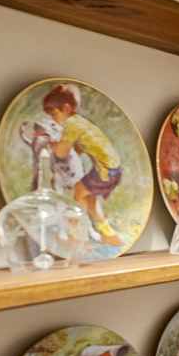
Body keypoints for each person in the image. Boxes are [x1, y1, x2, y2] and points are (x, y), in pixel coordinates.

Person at [40, 83, 126, 247]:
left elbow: (60, 152)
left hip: (104, 170)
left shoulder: (72, 124)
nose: (53, 119)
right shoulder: (82, 123)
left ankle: (77, 237)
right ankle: (109, 233)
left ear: (65, 108)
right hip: (113, 170)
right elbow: (80, 148)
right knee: (90, 200)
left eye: (54, 114)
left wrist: (47, 142)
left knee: (78, 194)